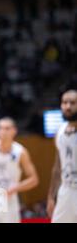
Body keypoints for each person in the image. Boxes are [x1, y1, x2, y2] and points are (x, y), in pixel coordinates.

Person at [47, 89, 77, 223]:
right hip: (66, 190)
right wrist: (51, 196)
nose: (68, 106)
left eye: (72, 103)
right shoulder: (59, 131)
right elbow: (57, 166)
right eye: (64, 103)